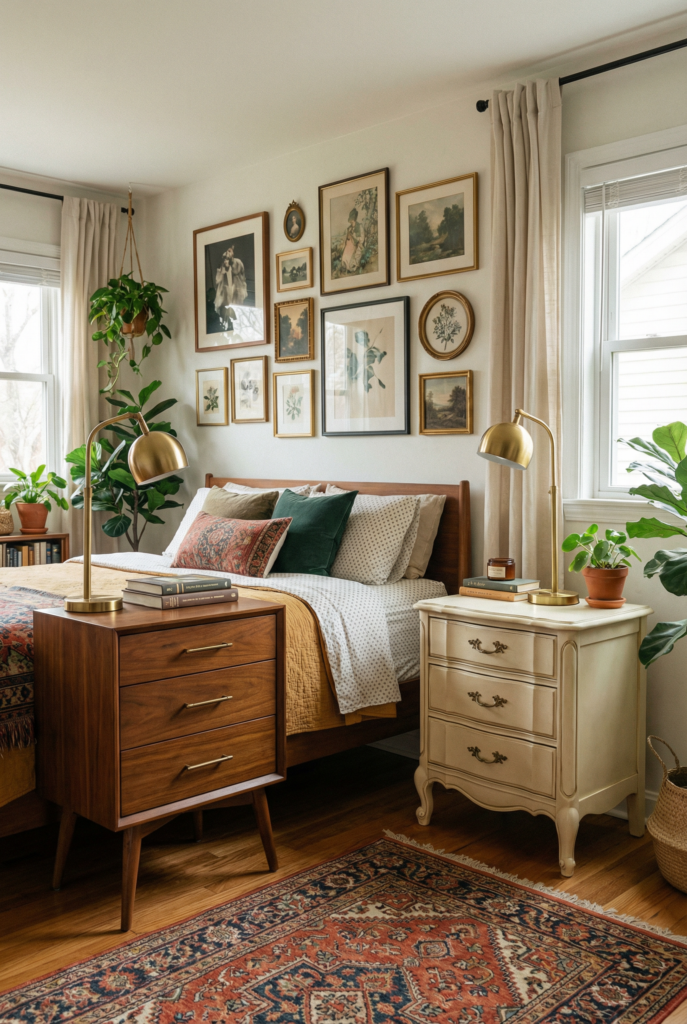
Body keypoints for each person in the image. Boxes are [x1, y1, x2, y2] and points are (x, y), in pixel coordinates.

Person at [214, 246, 247, 327]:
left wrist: (231, 261)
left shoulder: (237, 263)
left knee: (235, 316)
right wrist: (222, 270)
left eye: (229, 251)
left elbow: (238, 270)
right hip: (225, 297)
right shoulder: (222, 267)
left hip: (235, 297)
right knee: (224, 314)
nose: (227, 254)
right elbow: (218, 280)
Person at [340, 207, 363, 273]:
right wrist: (348, 237)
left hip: (355, 245)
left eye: (352, 219)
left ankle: (351, 267)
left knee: (351, 261)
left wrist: (353, 237)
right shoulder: (349, 228)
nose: (351, 221)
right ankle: (345, 266)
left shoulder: (359, 227)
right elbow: (346, 240)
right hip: (349, 246)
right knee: (345, 256)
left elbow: (361, 239)